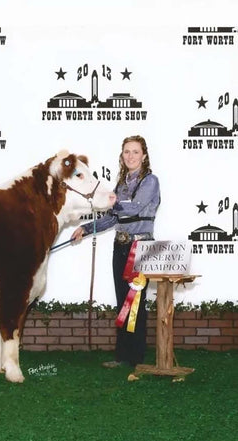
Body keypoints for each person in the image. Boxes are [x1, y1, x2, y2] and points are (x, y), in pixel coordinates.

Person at [71, 135, 160, 368]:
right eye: (126, 152)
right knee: (123, 302)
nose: (130, 156)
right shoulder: (121, 184)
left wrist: (110, 202)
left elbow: (135, 207)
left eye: (135, 152)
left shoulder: (150, 181)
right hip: (120, 246)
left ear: (144, 155)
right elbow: (111, 218)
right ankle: (122, 356)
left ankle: (136, 357)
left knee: (136, 302)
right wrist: (86, 228)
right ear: (122, 156)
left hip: (140, 248)